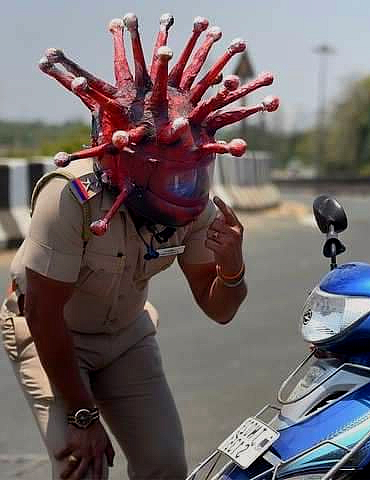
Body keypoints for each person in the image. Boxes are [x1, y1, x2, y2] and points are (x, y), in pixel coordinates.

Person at [0, 13, 278, 480]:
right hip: (50, 335)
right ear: (132, 162)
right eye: (174, 174)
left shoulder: (193, 203)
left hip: (127, 337)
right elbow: (44, 316)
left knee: (164, 466)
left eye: (194, 173)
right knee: (81, 463)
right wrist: (81, 415)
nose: (186, 187)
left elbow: (220, 309)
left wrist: (232, 268)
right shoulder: (70, 197)